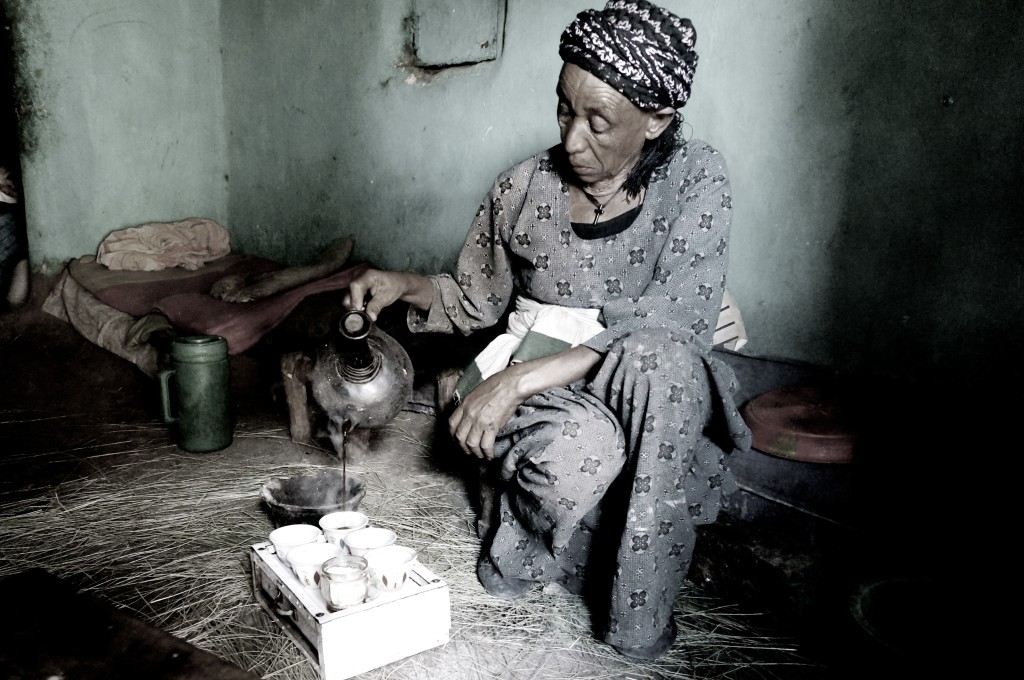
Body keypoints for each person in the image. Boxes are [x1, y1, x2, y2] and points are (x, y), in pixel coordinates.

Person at [343, 0, 751, 661]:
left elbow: (677, 315)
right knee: (577, 456)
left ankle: (635, 623)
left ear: (656, 119)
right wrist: (402, 285)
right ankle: (530, 537)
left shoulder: (695, 177)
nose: (571, 139)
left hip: (639, 384)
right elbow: (475, 299)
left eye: (598, 122)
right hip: (551, 384)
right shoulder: (522, 190)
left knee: (662, 364)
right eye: (564, 108)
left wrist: (515, 383)